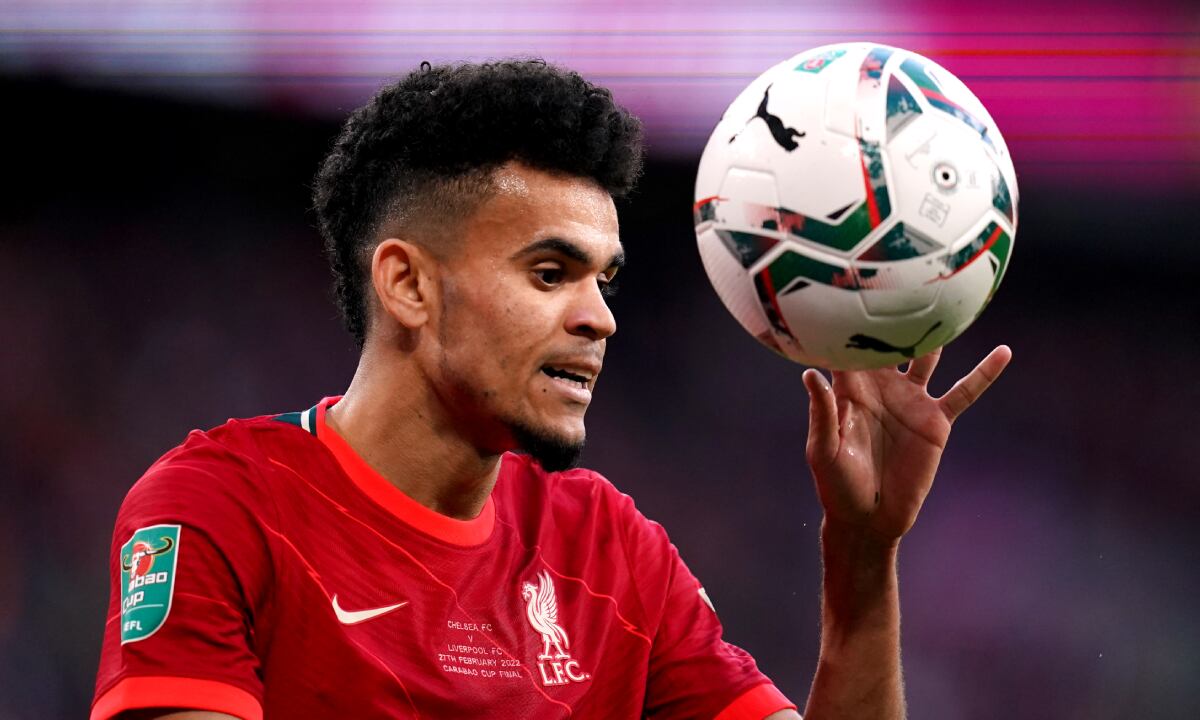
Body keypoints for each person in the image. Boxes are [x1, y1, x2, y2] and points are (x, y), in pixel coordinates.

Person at [92, 60, 1010, 720]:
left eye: (603, 278)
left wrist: (861, 557)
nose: (600, 317)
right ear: (409, 285)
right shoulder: (220, 509)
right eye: (549, 273)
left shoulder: (609, 555)